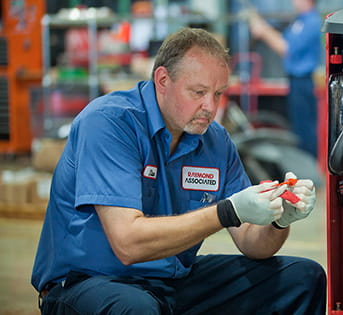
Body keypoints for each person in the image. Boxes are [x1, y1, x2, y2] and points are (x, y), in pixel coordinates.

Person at [31, 27, 326, 315]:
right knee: (137, 308)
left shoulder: (216, 141)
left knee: (301, 277)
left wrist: (278, 219)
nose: (209, 107)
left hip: (171, 281)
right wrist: (226, 212)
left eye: (218, 94)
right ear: (162, 79)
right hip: (92, 283)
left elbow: (252, 242)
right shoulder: (110, 123)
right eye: (198, 92)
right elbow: (128, 244)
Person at [249, 0, 322, 157]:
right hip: (295, 82)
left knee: (305, 130)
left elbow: (285, 47)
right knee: (298, 127)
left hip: (303, 82)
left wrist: (263, 30)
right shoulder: (299, 21)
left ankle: (308, 168)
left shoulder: (312, 21)